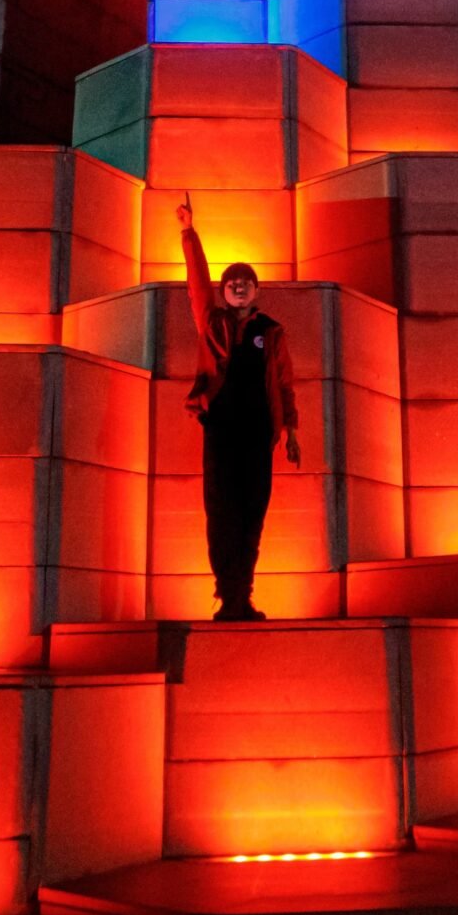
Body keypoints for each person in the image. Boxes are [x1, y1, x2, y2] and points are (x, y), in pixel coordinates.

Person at [176, 194, 300, 621]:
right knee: (221, 512)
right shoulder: (212, 322)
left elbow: (284, 382)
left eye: (246, 280)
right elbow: (196, 282)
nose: (238, 285)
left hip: (258, 435)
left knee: (252, 515)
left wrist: (291, 432)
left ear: (257, 290)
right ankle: (227, 595)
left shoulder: (271, 331)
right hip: (222, 431)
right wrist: (188, 232)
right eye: (231, 281)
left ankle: (241, 596)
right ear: (224, 291)